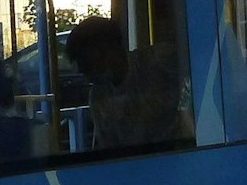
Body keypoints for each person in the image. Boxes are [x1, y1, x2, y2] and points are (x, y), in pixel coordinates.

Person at [65, 15, 191, 151]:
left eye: (86, 60)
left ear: (108, 48)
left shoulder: (159, 60)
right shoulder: (98, 98)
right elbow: (110, 150)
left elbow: (195, 78)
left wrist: (184, 112)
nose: (83, 70)